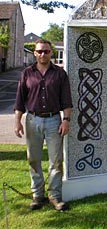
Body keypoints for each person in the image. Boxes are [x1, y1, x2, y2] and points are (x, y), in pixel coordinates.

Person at [14, 39, 73, 211]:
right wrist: (17, 122)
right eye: (39, 51)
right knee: (33, 159)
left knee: (55, 161)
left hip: (54, 120)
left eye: (46, 51)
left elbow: (66, 100)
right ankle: (37, 196)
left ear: (51, 53)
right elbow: (19, 100)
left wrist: (66, 120)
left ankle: (54, 196)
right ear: (34, 53)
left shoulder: (60, 74)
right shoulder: (26, 73)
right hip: (32, 120)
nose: (43, 54)